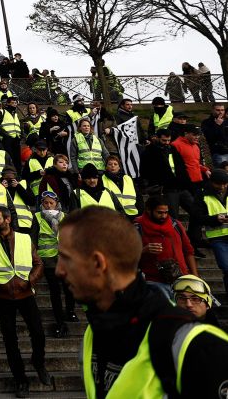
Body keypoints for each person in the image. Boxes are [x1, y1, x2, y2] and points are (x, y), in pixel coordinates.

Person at [56, 206, 228, 396]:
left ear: (98, 263)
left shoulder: (194, 343)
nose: (59, 270)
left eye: (66, 258)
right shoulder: (94, 331)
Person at [0, 206, 49, 397]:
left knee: (38, 333)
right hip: (4, 296)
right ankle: (21, 380)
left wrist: (30, 280)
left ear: (7, 219)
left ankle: (38, 361)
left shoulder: (24, 238)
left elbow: (39, 263)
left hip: (26, 293)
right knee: (10, 340)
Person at [31, 192, 75, 337]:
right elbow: (34, 238)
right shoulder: (37, 217)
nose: (48, 205)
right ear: (42, 203)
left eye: (51, 202)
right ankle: (60, 321)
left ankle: (70, 311)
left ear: (56, 203)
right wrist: (34, 257)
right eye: (45, 203)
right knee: (55, 291)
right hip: (47, 260)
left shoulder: (65, 216)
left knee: (69, 288)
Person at [135, 195, 198, 294]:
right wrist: (143, 250)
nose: (163, 216)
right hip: (153, 282)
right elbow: (126, 257)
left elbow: (188, 251)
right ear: (148, 210)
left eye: (166, 212)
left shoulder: (176, 225)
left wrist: (195, 277)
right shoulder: (137, 228)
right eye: (159, 213)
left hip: (181, 280)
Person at [196, 167, 228, 297]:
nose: (221, 187)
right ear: (211, 181)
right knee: (227, 268)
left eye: (225, 184)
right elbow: (197, 217)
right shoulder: (202, 194)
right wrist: (215, 219)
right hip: (218, 238)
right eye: (218, 184)